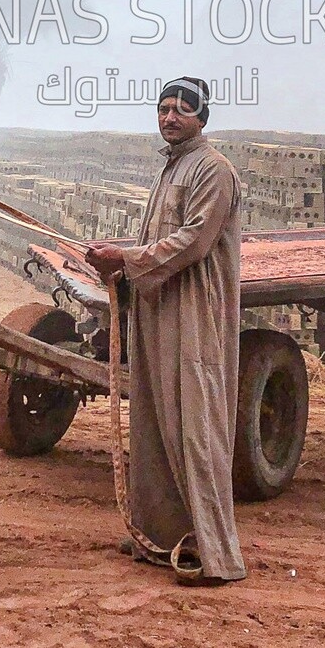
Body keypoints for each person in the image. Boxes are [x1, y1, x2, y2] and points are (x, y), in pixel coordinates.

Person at [84, 77, 247, 586]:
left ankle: (216, 556)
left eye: (181, 110)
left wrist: (127, 260)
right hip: (156, 305)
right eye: (163, 109)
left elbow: (194, 242)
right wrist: (120, 260)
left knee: (195, 423)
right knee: (153, 418)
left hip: (193, 310)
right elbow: (157, 238)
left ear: (203, 118)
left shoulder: (213, 170)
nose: (170, 117)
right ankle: (158, 537)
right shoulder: (172, 167)